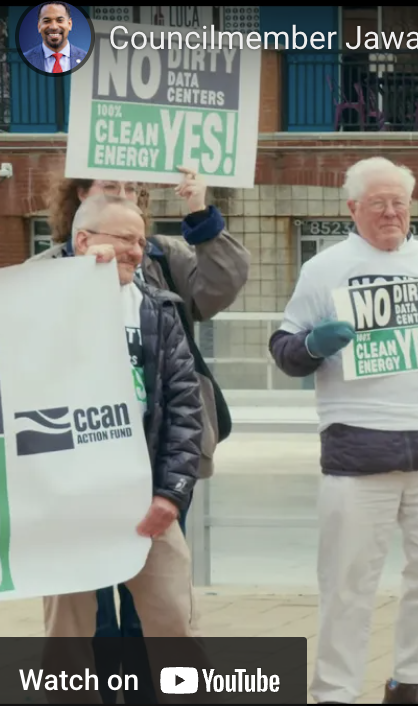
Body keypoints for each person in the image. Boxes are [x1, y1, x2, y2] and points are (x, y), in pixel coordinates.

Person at [269, 156, 418, 705]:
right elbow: (285, 350)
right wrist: (315, 345)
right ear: (352, 208)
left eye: (399, 202)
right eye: (378, 203)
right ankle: (335, 692)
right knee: (347, 585)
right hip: (357, 451)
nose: (390, 212)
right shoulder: (325, 267)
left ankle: (412, 681)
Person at [30, 168, 248, 705]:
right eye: (123, 238)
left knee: (173, 621)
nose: (136, 250)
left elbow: (181, 407)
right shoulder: (34, 292)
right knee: (72, 634)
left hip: (148, 493)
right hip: (69, 503)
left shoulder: (158, 302)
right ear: (83, 237)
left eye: (140, 237)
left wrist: (170, 495)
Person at [23, 2, 87, 74]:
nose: (54, 27)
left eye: (60, 20)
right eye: (47, 21)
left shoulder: (86, 58)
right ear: (39, 26)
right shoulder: (25, 60)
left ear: (69, 24)